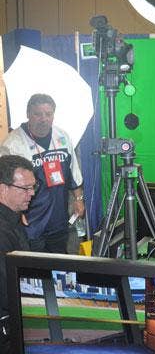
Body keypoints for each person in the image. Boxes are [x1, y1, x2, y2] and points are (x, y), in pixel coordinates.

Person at [1, 93, 85, 253]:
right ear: (28, 114)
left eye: (48, 114)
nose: (43, 119)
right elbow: (4, 184)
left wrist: (79, 199)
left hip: (58, 221)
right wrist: (16, 212)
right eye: (37, 114)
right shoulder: (13, 144)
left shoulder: (62, 136)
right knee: (34, 265)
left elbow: (74, 172)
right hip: (30, 224)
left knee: (60, 263)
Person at [0, 155, 35, 354]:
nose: (32, 193)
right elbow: (7, 291)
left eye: (33, 187)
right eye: (25, 188)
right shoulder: (3, 231)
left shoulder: (14, 218)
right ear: (2, 189)